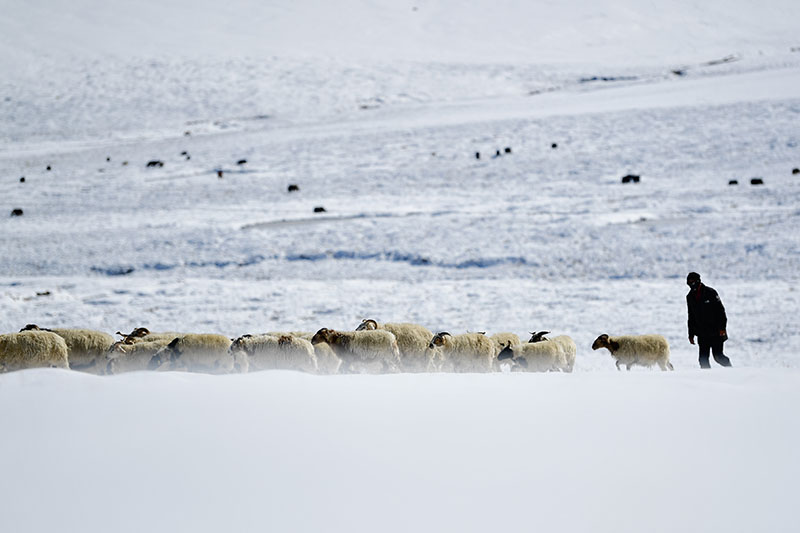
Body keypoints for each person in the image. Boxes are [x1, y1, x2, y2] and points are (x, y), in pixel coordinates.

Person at [686, 272, 732, 368]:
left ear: (698, 281)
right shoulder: (689, 297)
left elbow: (721, 312)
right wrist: (691, 334)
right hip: (702, 333)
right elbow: (691, 316)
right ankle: (707, 379)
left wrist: (722, 328)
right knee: (703, 359)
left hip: (716, 331)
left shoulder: (710, 293)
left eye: (693, 282)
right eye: (689, 283)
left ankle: (731, 371)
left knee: (718, 356)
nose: (691, 285)